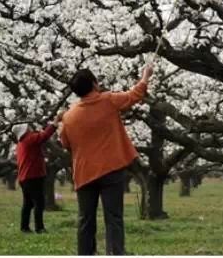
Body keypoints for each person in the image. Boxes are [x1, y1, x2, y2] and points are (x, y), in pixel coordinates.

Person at [60, 65, 153, 255]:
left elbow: (65, 143)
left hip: (84, 173)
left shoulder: (68, 117)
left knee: (85, 219)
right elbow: (134, 95)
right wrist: (145, 76)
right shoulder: (108, 100)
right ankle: (116, 252)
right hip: (111, 169)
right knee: (114, 217)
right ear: (95, 84)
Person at [11, 113, 62, 234]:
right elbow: (43, 136)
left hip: (25, 177)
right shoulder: (29, 139)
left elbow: (39, 137)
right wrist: (55, 123)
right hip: (33, 176)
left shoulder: (21, 143)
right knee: (39, 202)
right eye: (28, 127)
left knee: (28, 203)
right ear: (25, 130)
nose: (30, 127)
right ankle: (39, 228)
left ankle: (24, 227)